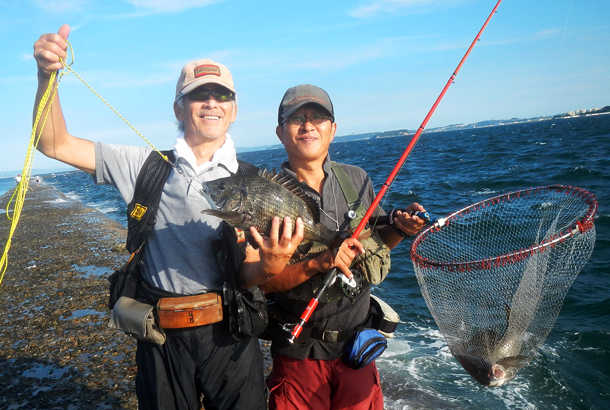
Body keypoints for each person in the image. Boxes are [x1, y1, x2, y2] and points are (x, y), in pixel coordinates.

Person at [33, 24, 266, 410]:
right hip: (161, 336)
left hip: (233, 334)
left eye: (222, 94)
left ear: (234, 109)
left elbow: (261, 269)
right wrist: (47, 76)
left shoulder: (255, 182)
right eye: (198, 95)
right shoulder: (143, 165)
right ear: (178, 107)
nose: (212, 102)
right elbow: (52, 143)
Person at [240, 84, 428, 410]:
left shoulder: (357, 180)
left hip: (357, 348)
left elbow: (378, 242)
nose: (308, 125)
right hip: (299, 351)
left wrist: (401, 227)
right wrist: (318, 262)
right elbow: (263, 281)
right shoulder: (261, 197)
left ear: (333, 129)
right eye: (296, 118)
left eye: (318, 117)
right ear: (280, 132)